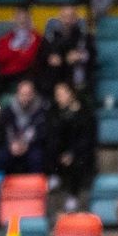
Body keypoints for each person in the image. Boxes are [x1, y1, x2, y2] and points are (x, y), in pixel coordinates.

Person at [46, 81, 96, 210]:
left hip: (79, 152)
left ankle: (73, 196)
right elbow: (54, 137)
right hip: (60, 153)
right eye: (57, 94)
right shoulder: (55, 113)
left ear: (71, 94)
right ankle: (53, 175)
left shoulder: (84, 113)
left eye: (62, 94)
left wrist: (72, 153)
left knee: (78, 162)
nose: (59, 97)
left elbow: (86, 139)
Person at [35, 6, 96, 100]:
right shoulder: (50, 37)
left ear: (76, 19)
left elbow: (93, 55)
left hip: (77, 81)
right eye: (65, 17)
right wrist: (49, 58)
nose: (67, 21)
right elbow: (40, 56)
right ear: (59, 18)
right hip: (54, 82)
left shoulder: (85, 37)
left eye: (71, 17)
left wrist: (80, 56)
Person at [0, 80, 48, 174]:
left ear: (33, 94)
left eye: (28, 94)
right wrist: (12, 144)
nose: (25, 97)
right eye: (22, 94)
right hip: (12, 144)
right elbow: (4, 131)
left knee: (37, 157)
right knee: (0, 156)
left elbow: (42, 132)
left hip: (32, 144)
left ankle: (35, 185)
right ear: (17, 94)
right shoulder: (8, 111)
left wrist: (27, 144)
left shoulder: (41, 110)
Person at [0, 6, 40, 85]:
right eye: (19, 17)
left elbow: (29, 60)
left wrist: (13, 52)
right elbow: (0, 59)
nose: (22, 20)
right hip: (5, 75)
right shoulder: (5, 39)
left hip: (26, 75)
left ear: (29, 19)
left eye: (25, 18)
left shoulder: (36, 38)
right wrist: (17, 50)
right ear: (14, 19)